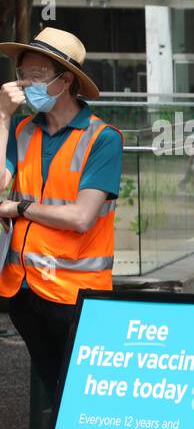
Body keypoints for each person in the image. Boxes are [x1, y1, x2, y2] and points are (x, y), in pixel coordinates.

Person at [0, 28, 123, 402]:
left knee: (85, 394)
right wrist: (2, 117)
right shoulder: (21, 129)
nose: (24, 84)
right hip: (22, 289)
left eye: (35, 75)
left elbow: (81, 217)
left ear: (65, 80)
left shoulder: (102, 138)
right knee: (58, 391)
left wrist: (17, 209)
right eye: (22, 74)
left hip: (74, 294)